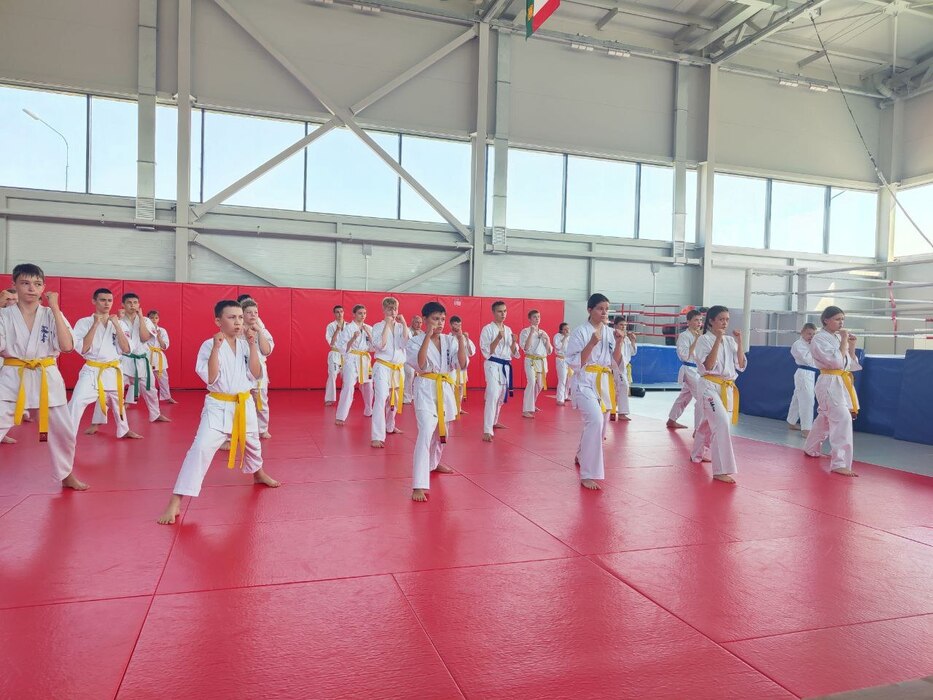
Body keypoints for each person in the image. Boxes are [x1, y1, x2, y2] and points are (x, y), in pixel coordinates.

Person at [157, 300, 280, 525]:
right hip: (218, 405)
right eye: (232, 317)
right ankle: (176, 500)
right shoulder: (208, 345)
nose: (238, 322)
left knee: (252, 443)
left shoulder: (246, 344)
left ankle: (258, 473)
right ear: (218, 321)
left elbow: (256, 374)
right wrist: (216, 348)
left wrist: (253, 344)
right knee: (200, 448)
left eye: (240, 317)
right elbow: (211, 378)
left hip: (244, 403)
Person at [0, 264, 86, 490]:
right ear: (14, 285)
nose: (31, 288)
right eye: (25, 283)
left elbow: (67, 346)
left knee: (64, 433)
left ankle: (66, 475)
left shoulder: (51, 314)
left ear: (43, 288)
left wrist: (55, 308)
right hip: (13, 378)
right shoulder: (4, 315)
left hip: (47, 378)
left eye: (37, 284)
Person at [408, 301, 468, 502]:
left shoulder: (449, 340)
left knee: (442, 433)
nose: (440, 323)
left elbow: (462, 364)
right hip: (425, 388)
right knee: (426, 431)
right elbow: (421, 363)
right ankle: (418, 484)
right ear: (425, 319)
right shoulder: (415, 341)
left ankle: (433, 463)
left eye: (442, 319)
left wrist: (460, 339)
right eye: (435, 319)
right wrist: (427, 335)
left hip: (444, 388)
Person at [566, 293, 624, 490]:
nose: (604, 312)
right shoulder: (580, 332)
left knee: (600, 427)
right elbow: (575, 363)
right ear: (589, 310)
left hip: (603, 382)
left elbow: (615, 362)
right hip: (584, 381)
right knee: (596, 420)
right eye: (600, 309)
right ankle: (588, 474)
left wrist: (619, 342)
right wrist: (591, 343)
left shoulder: (610, 332)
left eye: (607, 309)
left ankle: (581, 454)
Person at [89, 292, 169, 432]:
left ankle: (155, 414)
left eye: (135, 303)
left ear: (139, 305)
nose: (133, 305)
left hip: (142, 361)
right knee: (108, 392)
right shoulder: (116, 320)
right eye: (129, 303)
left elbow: (144, 338)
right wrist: (119, 319)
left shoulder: (146, 320)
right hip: (123, 361)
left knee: (151, 390)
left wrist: (141, 318)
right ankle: (96, 423)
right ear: (123, 305)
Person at [69, 288, 142, 440]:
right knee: (76, 401)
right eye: (102, 300)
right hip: (92, 370)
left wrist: (117, 325)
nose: (107, 303)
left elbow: (126, 349)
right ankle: (67, 435)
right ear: (94, 301)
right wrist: (95, 324)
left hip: (113, 370)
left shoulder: (120, 324)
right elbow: (83, 348)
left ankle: (124, 430)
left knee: (118, 402)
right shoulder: (84, 322)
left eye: (110, 300)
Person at [803, 306, 861, 477]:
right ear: (826, 320)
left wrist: (851, 346)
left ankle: (811, 448)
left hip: (840, 381)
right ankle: (839, 463)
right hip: (829, 381)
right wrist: (843, 340)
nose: (841, 322)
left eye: (842, 319)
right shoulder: (819, 338)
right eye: (837, 319)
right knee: (842, 418)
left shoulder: (836, 337)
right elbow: (836, 362)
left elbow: (849, 364)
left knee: (825, 418)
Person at [691, 305, 745, 484]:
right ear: (711, 321)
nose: (725, 323)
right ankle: (721, 470)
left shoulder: (730, 341)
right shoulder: (703, 340)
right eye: (721, 319)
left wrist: (740, 341)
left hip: (726, 387)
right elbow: (708, 365)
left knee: (707, 422)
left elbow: (741, 365)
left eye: (727, 320)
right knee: (721, 422)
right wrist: (718, 339)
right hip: (709, 386)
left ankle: (697, 453)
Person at [370, 296, 409, 448]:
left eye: (395, 309)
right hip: (382, 366)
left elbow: (406, 344)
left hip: (397, 368)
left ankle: (390, 426)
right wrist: (387, 324)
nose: (393, 312)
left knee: (395, 399)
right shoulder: (377, 326)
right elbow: (381, 345)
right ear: (384, 310)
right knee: (381, 398)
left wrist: (404, 324)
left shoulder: (400, 326)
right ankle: (377, 436)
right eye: (389, 309)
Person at [480, 301, 519, 442]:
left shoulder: (508, 330)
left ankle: (494, 421)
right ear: (493, 312)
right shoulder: (487, 329)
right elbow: (487, 351)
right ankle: (487, 430)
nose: (503, 314)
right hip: (492, 364)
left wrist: (513, 342)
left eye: (505, 311)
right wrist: (498, 338)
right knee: (492, 394)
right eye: (500, 311)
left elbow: (514, 353)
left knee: (501, 395)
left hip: (505, 365)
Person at [240, 299, 274, 440]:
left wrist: (259, 332)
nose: (253, 315)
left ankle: (262, 428)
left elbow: (266, 351)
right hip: (240, 369)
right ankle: (240, 429)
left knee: (261, 401)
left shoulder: (263, 331)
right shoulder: (237, 330)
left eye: (255, 312)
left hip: (259, 371)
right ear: (242, 314)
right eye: (249, 312)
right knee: (240, 400)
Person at [335, 304, 374, 425]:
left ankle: (369, 410)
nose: (363, 316)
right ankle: (341, 416)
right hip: (352, 359)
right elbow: (341, 347)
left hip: (365, 359)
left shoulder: (369, 328)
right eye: (360, 313)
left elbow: (373, 347)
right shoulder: (349, 328)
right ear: (354, 314)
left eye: (364, 313)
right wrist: (353, 338)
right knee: (348, 387)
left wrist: (369, 334)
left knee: (368, 386)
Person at [667, 309, 704, 430]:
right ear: (688, 322)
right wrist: (696, 340)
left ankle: (672, 419)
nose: (699, 323)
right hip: (689, 369)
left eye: (700, 320)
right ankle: (699, 428)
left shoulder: (701, 336)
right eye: (696, 320)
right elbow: (684, 356)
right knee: (702, 397)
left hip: (698, 370)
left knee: (684, 396)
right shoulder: (684, 336)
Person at [519, 309, 553, 419]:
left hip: (542, 361)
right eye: (534, 317)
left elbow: (549, 351)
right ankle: (526, 410)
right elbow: (526, 347)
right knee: (532, 382)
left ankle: (532, 404)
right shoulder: (525, 331)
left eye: (538, 317)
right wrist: (531, 333)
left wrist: (547, 340)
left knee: (540, 384)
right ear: (529, 319)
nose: (537, 318)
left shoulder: (543, 333)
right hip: (531, 360)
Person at [786, 322, 818, 437]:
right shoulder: (798, 344)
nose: (811, 336)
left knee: (798, 398)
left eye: (814, 334)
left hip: (811, 373)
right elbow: (809, 360)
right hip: (804, 372)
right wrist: (814, 347)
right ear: (802, 333)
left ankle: (791, 421)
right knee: (807, 400)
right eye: (809, 334)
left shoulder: (810, 344)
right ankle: (806, 429)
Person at [147, 310, 177, 404]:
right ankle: (133, 399)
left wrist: (159, 336)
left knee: (163, 378)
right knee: (143, 379)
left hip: (158, 356)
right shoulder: (144, 329)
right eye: (151, 318)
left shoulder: (162, 330)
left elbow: (164, 346)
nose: (154, 320)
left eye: (156, 318)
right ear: (147, 319)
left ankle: (167, 396)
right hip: (147, 356)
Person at [611, 317, 637, 422]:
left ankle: (619, 411)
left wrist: (633, 341)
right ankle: (619, 412)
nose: (624, 327)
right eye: (621, 325)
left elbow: (632, 353)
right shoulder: (612, 336)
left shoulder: (626, 339)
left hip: (624, 367)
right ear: (615, 326)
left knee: (622, 388)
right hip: (615, 366)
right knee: (621, 387)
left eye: (625, 325)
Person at [448, 316, 475, 414]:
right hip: (451, 368)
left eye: (459, 325)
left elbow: (471, 353)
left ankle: (458, 408)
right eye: (455, 324)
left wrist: (467, 339)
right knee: (451, 388)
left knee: (460, 388)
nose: (458, 327)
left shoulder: (464, 338)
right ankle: (450, 410)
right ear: (451, 325)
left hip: (462, 368)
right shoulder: (447, 338)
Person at [324, 305, 345, 406]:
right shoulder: (330, 326)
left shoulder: (349, 326)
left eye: (341, 311)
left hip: (346, 354)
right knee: (332, 375)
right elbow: (331, 343)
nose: (340, 314)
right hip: (335, 353)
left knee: (347, 378)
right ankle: (330, 398)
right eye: (337, 312)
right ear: (334, 313)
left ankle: (346, 398)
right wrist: (337, 330)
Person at [403, 315, 423, 405]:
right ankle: (407, 397)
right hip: (408, 358)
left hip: (419, 359)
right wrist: (413, 338)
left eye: (420, 322)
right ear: (412, 322)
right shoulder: (406, 330)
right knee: (409, 376)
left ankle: (415, 395)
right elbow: (404, 343)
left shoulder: (422, 333)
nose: (419, 324)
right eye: (417, 322)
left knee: (418, 378)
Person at [553, 322, 572, 406]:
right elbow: (558, 347)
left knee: (569, 379)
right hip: (561, 359)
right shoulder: (557, 336)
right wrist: (564, 337)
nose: (567, 330)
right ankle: (560, 399)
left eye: (568, 329)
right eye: (565, 329)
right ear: (561, 330)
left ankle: (565, 395)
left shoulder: (570, 337)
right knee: (562, 379)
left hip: (569, 360)